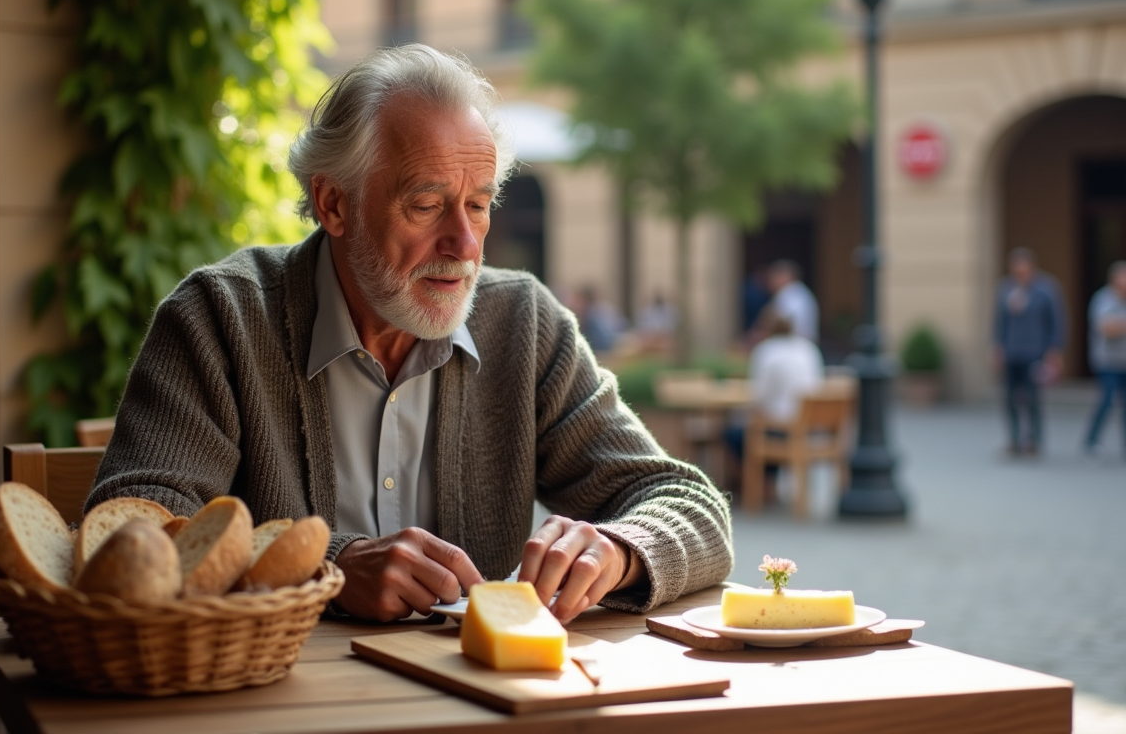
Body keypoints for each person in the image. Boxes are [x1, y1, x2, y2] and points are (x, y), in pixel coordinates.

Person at [85, 44, 733, 623]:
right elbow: (133, 526)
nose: (464, 243)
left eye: (478, 204)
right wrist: (328, 570)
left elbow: (687, 502)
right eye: (426, 205)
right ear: (335, 204)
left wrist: (619, 550)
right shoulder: (220, 318)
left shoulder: (523, 323)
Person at [723, 312, 823, 500]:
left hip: (781, 428)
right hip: (810, 428)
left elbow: (759, 395)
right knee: (759, 427)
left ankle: (755, 488)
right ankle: (768, 486)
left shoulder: (767, 351)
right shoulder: (809, 349)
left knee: (735, 434)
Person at [991, 247, 1066, 456]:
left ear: (1031, 267)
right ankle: (1013, 439)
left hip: (1035, 352)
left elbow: (1056, 321)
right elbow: (999, 321)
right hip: (1012, 352)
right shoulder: (1006, 288)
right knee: (1009, 398)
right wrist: (997, 347)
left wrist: (1054, 350)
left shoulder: (1046, 289)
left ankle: (1034, 439)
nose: (1019, 271)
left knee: (1033, 399)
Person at [1083, 261, 1126, 457]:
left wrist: (1117, 325)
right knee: (1107, 401)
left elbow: (1114, 326)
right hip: (1107, 361)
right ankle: (1091, 441)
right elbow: (1104, 327)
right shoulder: (1103, 299)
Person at [765, 260, 818, 342]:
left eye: (773, 277)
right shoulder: (801, 290)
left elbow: (777, 324)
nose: (770, 282)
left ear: (785, 276)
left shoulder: (788, 293)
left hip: (792, 345)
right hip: (804, 345)